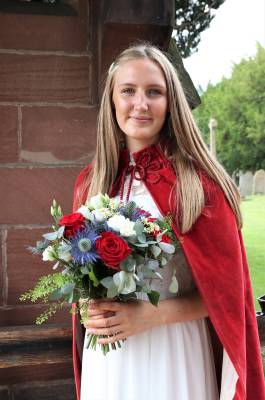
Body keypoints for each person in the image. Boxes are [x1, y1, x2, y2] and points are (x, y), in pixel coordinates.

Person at [72, 44, 265, 400]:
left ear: (171, 102)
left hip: (173, 349)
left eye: (154, 92)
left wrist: (149, 316)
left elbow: (228, 297)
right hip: (109, 357)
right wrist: (87, 307)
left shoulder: (199, 186)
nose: (140, 103)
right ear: (112, 101)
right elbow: (83, 279)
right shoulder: (92, 182)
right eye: (128, 90)